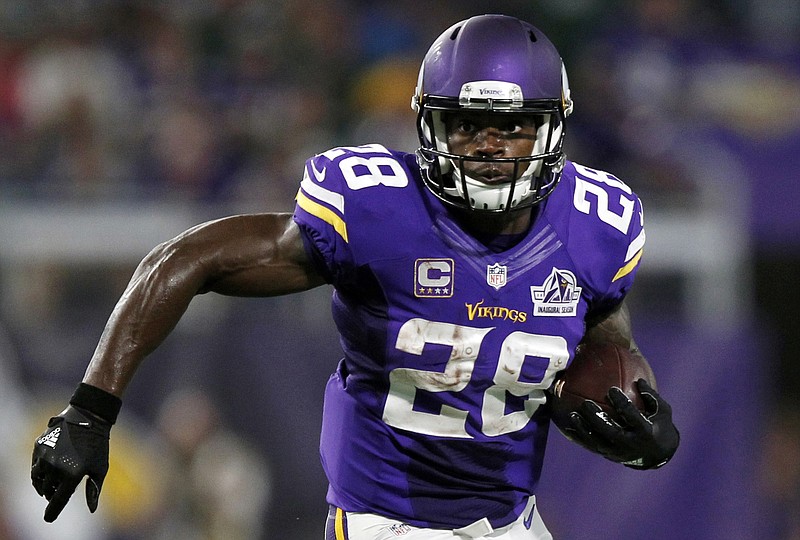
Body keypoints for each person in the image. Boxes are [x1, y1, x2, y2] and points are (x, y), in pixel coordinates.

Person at [30, 14, 679, 539]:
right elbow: (184, 259)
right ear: (427, 123)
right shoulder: (376, 208)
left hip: (508, 521)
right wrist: (91, 408)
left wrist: (637, 406)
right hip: (386, 521)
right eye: (465, 124)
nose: (487, 147)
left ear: (552, 128)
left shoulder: (598, 225)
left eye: (510, 128)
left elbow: (604, 332)